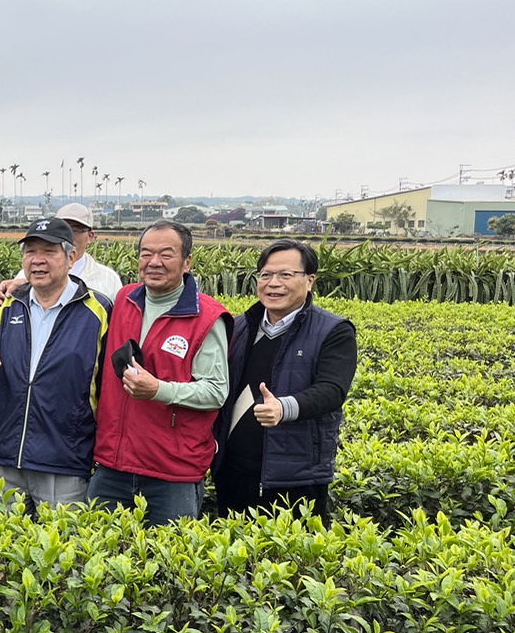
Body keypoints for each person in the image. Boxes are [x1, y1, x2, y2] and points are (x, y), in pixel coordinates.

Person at [87, 220, 231, 525]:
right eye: (145, 254)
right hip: (113, 465)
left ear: (187, 262)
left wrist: (159, 390)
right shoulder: (124, 300)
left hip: (172, 472)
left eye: (166, 254)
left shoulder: (206, 316)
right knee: (97, 558)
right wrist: (19, 284)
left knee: (167, 566)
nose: (153, 262)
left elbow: (216, 390)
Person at [0, 218, 111, 513]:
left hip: (64, 459)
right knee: (0, 553)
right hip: (5, 456)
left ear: (71, 257)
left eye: (49, 251)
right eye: (30, 252)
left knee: (63, 554)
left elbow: (111, 386)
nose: (38, 260)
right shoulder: (9, 305)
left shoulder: (98, 310)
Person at [213, 239, 357, 520]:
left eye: (286, 275)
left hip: (295, 479)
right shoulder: (239, 325)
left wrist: (283, 408)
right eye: (266, 275)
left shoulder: (334, 331)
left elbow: (332, 390)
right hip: (233, 472)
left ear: (310, 280)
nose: (273, 283)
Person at [0, 202, 123, 304]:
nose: (68, 236)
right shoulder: (26, 275)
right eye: (62, 228)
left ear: (90, 236)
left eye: (75, 230)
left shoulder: (108, 279)